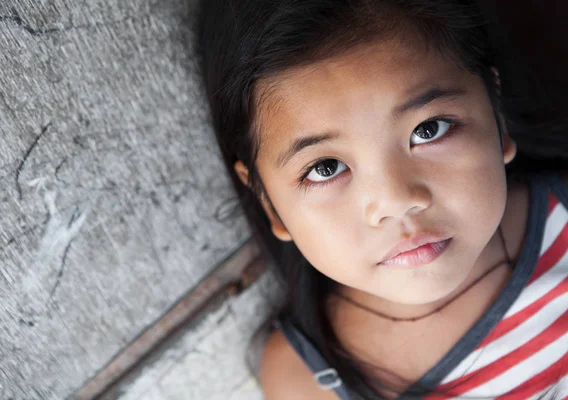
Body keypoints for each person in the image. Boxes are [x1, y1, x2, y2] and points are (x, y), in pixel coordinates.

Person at [197, 0, 568, 398]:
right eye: (325, 168)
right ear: (268, 201)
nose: (396, 200)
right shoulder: (307, 380)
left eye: (429, 129)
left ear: (498, 116)